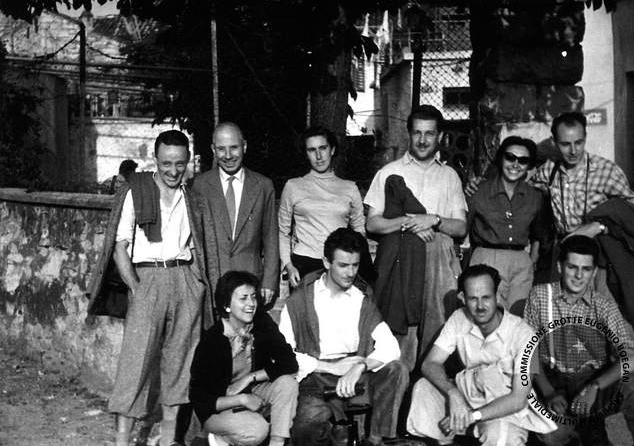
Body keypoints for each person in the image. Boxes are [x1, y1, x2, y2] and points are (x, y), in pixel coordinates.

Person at [95, 130, 208, 446]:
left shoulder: (190, 196)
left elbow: (196, 246)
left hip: (183, 278)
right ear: (155, 160)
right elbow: (120, 246)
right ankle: (122, 442)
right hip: (147, 279)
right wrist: (135, 287)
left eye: (180, 164)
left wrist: (196, 283)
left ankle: (169, 440)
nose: (173, 171)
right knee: (135, 364)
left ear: (188, 162)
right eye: (166, 163)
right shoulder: (137, 191)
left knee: (180, 365)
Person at [278, 228, 408, 446]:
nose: (350, 273)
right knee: (309, 421)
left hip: (354, 375)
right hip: (316, 377)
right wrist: (330, 368)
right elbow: (284, 354)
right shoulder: (300, 301)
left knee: (397, 369)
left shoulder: (361, 298)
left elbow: (390, 346)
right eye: (343, 265)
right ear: (326, 262)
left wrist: (360, 367)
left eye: (355, 265)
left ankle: (375, 440)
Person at [364, 104, 467, 371]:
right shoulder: (388, 172)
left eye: (429, 133)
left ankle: (430, 385)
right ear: (409, 134)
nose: (422, 140)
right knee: (401, 330)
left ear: (439, 136)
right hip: (401, 257)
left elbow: (460, 228)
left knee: (438, 324)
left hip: (438, 260)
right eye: (417, 133)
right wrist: (409, 223)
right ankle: (398, 388)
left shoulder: (449, 176)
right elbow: (372, 223)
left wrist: (433, 219)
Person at [407, 264, 556, 445]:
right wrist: (453, 394)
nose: (480, 306)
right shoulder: (459, 318)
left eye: (486, 297)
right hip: (467, 396)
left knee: (501, 435)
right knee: (424, 387)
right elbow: (430, 363)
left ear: (497, 295)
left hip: (504, 408)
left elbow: (518, 399)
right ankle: (444, 441)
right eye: (473, 298)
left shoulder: (524, 334)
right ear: (463, 298)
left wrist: (472, 416)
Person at [524, 235, 634, 446]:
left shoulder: (603, 305)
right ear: (560, 266)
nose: (578, 275)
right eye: (572, 267)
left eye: (586, 269)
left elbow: (631, 357)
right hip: (553, 382)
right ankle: (585, 428)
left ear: (594, 272)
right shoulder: (540, 296)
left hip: (592, 379)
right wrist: (548, 392)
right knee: (553, 436)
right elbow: (528, 352)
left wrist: (595, 387)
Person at [528, 112, 634, 332]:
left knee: (603, 320)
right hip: (565, 254)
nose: (573, 150)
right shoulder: (549, 170)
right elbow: (525, 188)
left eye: (579, 142)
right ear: (555, 142)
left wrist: (599, 226)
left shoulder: (606, 170)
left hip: (600, 257)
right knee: (565, 320)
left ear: (585, 137)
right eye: (565, 144)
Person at [189, 271, 299, 446]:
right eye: (243, 298)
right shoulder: (212, 341)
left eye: (253, 297)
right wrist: (241, 399)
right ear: (227, 305)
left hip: (253, 392)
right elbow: (201, 399)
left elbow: (289, 362)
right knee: (257, 430)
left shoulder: (261, 322)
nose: (251, 304)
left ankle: (277, 443)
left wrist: (249, 378)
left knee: (288, 383)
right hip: (220, 407)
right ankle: (219, 438)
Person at [193, 122, 280, 305]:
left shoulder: (263, 186)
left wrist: (269, 281)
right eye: (221, 149)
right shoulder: (201, 185)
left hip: (251, 282)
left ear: (244, 146)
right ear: (213, 150)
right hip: (213, 282)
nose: (228, 156)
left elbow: (271, 238)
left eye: (234, 148)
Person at [278, 126, 365, 286]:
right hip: (304, 264)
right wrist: (289, 266)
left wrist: (352, 264)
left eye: (323, 148)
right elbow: (283, 231)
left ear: (332, 150)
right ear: (306, 154)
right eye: (312, 150)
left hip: (339, 263)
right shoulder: (293, 186)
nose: (318, 156)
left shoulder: (350, 188)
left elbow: (359, 231)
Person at [467, 136, 544, 316]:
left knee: (517, 317)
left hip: (521, 263)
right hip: (486, 258)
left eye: (523, 160)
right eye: (510, 157)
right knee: (487, 317)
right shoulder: (478, 191)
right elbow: (464, 228)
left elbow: (538, 234)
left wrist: (530, 261)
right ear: (501, 158)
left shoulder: (535, 196)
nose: (515, 164)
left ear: (529, 165)